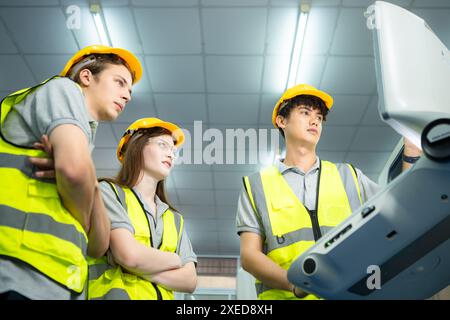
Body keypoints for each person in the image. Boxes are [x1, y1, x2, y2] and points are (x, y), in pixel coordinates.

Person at [236, 84, 422, 300]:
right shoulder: (256, 185)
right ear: (281, 121)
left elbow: (400, 208)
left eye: (319, 117)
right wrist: (295, 284)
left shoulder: (349, 176)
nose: (315, 120)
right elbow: (249, 256)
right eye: (305, 112)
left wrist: (411, 153)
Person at [0, 45, 142, 300]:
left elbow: (98, 245)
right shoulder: (63, 89)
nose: (127, 96)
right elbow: (75, 173)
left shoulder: (84, 137)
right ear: (86, 77)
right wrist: (83, 178)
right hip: (19, 274)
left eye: (129, 90)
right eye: (120, 83)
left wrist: (92, 186)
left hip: (61, 285)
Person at [88, 117, 197, 300]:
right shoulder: (110, 193)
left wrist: (137, 267)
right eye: (162, 145)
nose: (171, 154)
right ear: (137, 146)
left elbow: (190, 281)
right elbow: (129, 256)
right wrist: (175, 260)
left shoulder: (175, 219)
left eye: (173, 150)